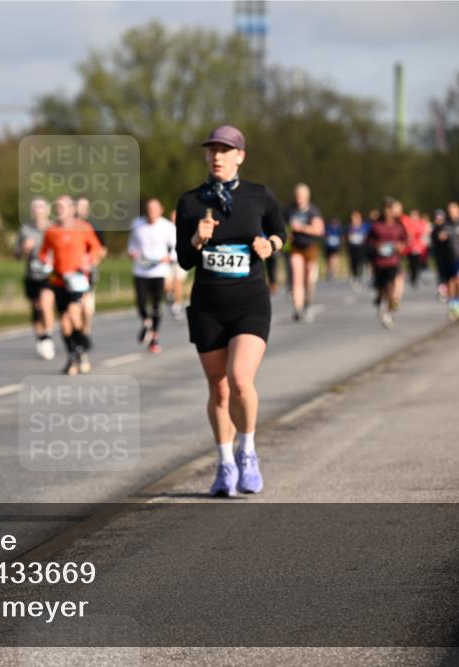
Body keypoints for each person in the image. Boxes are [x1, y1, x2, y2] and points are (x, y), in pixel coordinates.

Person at [175, 125, 285, 497]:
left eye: (225, 150)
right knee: (218, 390)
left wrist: (270, 244)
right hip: (208, 306)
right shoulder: (191, 203)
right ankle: (224, 465)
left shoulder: (259, 196)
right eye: (212, 150)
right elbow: (185, 260)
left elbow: (279, 233)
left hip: (250, 303)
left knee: (240, 380)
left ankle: (248, 453)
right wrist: (196, 237)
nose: (217, 156)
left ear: (240, 155)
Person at [39, 195, 103, 375]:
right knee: (64, 323)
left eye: (63, 207)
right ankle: (74, 355)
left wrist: (88, 261)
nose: (59, 210)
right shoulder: (51, 231)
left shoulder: (83, 228)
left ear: (72, 209)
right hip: (58, 280)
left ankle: (81, 346)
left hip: (77, 279)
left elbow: (96, 248)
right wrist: (46, 261)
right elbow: (44, 253)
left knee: (74, 316)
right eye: (57, 207)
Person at [127, 198, 177, 354]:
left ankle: (154, 336)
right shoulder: (137, 224)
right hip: (141, 269)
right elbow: (132, 244)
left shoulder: (167, 227)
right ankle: (146, 322)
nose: (151, 212)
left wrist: (169, 258)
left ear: (161, 210)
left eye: (154, 209)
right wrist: (132, 252)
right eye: (149, 209)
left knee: (157, 304)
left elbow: (175, 247)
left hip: (159, 270)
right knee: (141, 302)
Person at [15, 197, 57, 360]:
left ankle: (48, 338)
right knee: (36, 308)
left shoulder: (54, 228)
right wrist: (24, 249)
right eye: (36, 209)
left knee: (46, 305)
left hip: (49, 274)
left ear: (47, 211)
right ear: (32, 212)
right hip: (32, 275)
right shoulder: (25, 230)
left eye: (42, 208)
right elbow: (17, 255)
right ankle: (40, 338)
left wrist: (54, 259)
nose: (39, 212)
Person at [283, 183, 324, 322]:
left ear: (307, 196)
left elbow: (319, 230)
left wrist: (302, 228)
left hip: (310, 247)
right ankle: (298, 308)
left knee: (309, 278)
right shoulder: (289, 210)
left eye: (301, 195)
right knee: (296, 277)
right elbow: (282, 226)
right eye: (297, 195)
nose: (298, 198)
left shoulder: (313, 211)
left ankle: (307, 302)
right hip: (295, 248)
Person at [366, 197, 408, 329]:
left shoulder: (398, 225)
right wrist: (376, 247)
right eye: (386, 209)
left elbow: (405, 240)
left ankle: (388, 313)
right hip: (379, 262)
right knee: (381, 288)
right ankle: (380, 301)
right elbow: (368, 242)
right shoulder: (376, 225)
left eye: (390, 209)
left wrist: (400, 247)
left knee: (390, 287)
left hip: (392, 261)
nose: (388, 212)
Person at [75, 196, 106, 340]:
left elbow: (102, 249)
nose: (81, 209)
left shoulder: (94, 226)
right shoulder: (67, 226)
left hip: (88, 270)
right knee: (74, 304)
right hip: (70, 269)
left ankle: (85, 330)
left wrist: (91, 261)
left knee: (87, 303)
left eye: (84, 206)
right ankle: (78, 330)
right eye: (79, 206)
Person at [430, 208, 459, 321]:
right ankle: (452, 305)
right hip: (447, 258)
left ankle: (458, 302)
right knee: (451, 281)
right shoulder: (442, 227)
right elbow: (435, 240)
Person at [165, 208, 188, 319]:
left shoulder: (185, 228)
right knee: (166, 285)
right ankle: (170, 297)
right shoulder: (167, 229)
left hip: (180, 260)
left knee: (177, 283)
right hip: (168, 261)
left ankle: (177, 306)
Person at [402, 207, 429, 289]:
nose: (413, 217)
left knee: (417, 263)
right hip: (410, 247)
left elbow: (423, 233)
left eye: (415, 215)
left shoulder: (421, 223)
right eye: (412, 215)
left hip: (419, 247)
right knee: (411, 263)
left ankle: (416, 278)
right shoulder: (408, 223)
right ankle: (412, 278)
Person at [346, 210, 370, 291]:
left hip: (361, 248)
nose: (354, 219)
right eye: (353, 218)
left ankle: (360, 277)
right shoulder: (350, 227)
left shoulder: (364, 226)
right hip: (353, 248)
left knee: (361, 263)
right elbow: (347, 237)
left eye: (356, 218)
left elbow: (367, 236)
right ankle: (354, 277)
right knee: (353, 263)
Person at [323, 217, 343, 281]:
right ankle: (329, 271)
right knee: (329, 260)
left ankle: (333, 272)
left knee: (335, 259)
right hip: (329, 247)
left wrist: (340, 243)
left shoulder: (339, 229)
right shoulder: (328, 228)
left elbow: (341, 237)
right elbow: (324, 235)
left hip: (336, 246)